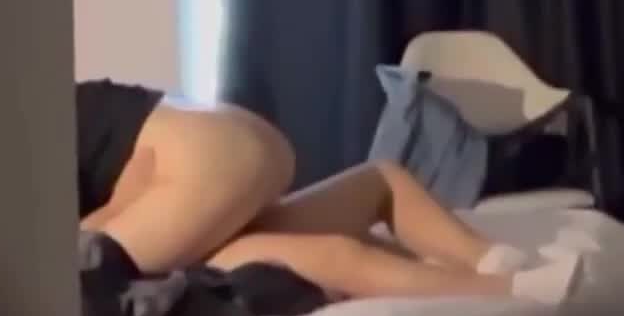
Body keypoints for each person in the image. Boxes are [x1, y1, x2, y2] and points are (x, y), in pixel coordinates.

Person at [74, 79, 573, 302]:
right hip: (240, 137)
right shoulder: (59, 97)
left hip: (194, 170)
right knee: (378, 181)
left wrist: (117, 210)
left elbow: (84, 251)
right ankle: (487, 258)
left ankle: (503, 289)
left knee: (87, 283)